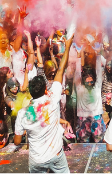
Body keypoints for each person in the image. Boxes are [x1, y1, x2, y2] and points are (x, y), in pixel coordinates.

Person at [14, 32, 73, 173]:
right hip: (56, 155)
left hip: (36, 160)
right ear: (46, 89)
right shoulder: (52, 99)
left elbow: (17, 141)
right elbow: (60, 70)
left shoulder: (23, 113)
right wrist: (68, 47)